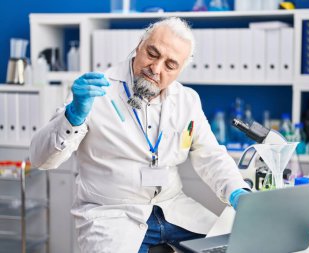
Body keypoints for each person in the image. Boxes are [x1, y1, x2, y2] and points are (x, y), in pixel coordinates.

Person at [30, 17, 250, 253]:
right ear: (139, 46)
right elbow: (40, 158)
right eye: (152, 54)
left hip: (173, 209)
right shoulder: (97, 91)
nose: (156, 69)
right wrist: (73, 116)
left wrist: (238, 192)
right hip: (112, 215)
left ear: (180, 70)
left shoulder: (187, 100)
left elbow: (211, 155)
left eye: (170, 65)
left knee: (236, 246)